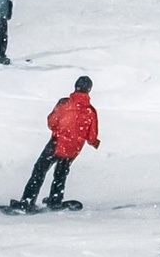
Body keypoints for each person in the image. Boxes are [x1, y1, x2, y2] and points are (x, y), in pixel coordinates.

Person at [15, 75, 99, 209]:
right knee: (61, 174)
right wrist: (95, 142)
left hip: (57, 143)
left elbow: (51, 121)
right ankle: (55, 199)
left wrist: (59, 130)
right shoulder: (91, 111)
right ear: (89, 90)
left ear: (75, 87)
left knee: (40, 170)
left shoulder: (64, 103)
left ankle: (28, 200)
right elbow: (91, 136)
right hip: (73, 149)